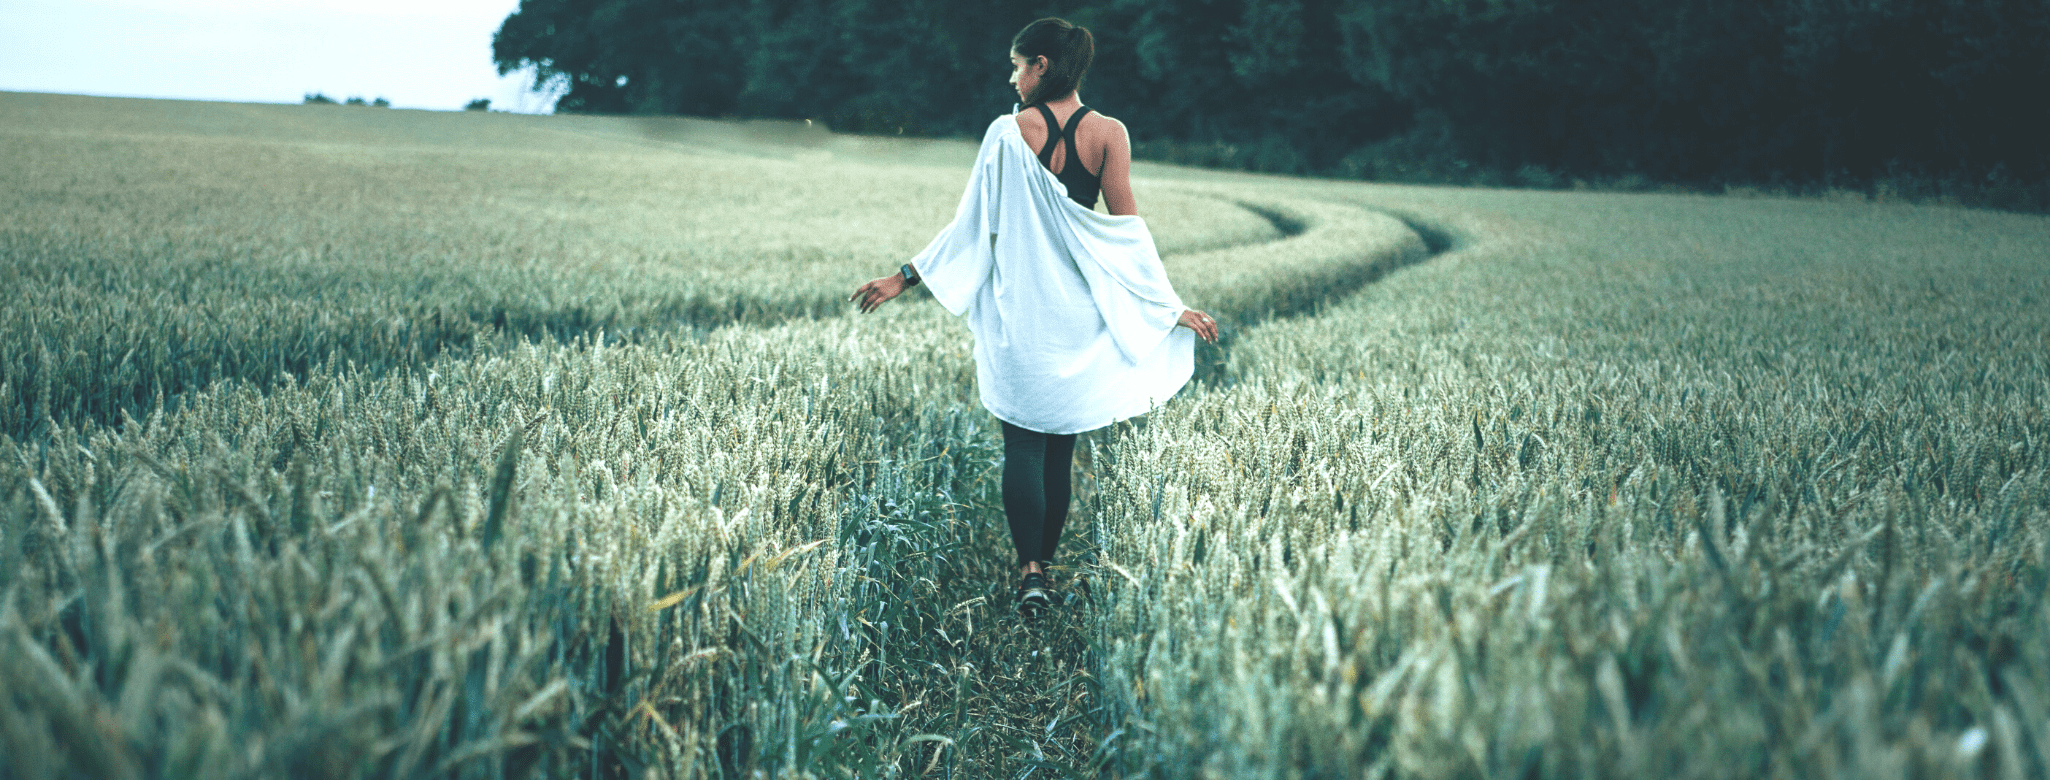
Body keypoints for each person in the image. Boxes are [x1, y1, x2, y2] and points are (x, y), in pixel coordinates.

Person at [849, 17, 1218, 619]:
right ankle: (1042, 572)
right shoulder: (1109, 134)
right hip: (1079, 317)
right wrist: (1166, 308)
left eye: (1019, 65)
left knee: (1020, 443)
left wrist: (904, 277)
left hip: (1020, 315)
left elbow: (969, 224)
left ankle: (1030, 574)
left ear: (1042, 64)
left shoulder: (1004, 133)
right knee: (1059, 449)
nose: (1013, 77)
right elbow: (1124, 235)